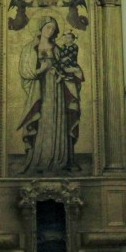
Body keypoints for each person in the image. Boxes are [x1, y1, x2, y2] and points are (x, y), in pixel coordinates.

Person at [17, 17, 83, 173]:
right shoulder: (29, 48)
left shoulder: (57, 48)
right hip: (41, 89)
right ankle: (41, 157)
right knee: (43, 118)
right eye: (48, 27)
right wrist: (42, 69)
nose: (50, 31)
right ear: (40, 28)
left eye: (53, 28)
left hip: (57, 88)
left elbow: (66, 65)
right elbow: (25, 71)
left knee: (58, 119)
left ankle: (60, 157)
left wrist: (71, 71)